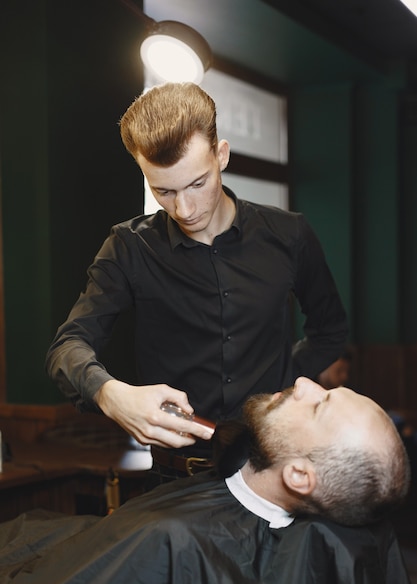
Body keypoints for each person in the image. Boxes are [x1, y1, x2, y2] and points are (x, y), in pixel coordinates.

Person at [45, 82, 348, 477]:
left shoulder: (289, 235)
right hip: (173, 477)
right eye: (163, 191)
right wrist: (110, 394)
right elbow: (67, 345)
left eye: (197, 184)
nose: (184, 209)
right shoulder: (128, 248)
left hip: (269, 467)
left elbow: (330, 330)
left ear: (221, 155)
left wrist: (280, 382)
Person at [0, 378, 415, 584]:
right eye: (327, 390)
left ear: (300, 477)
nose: (305, 384)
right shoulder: (250, 493)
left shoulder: (173, 541)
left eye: (319, 406)